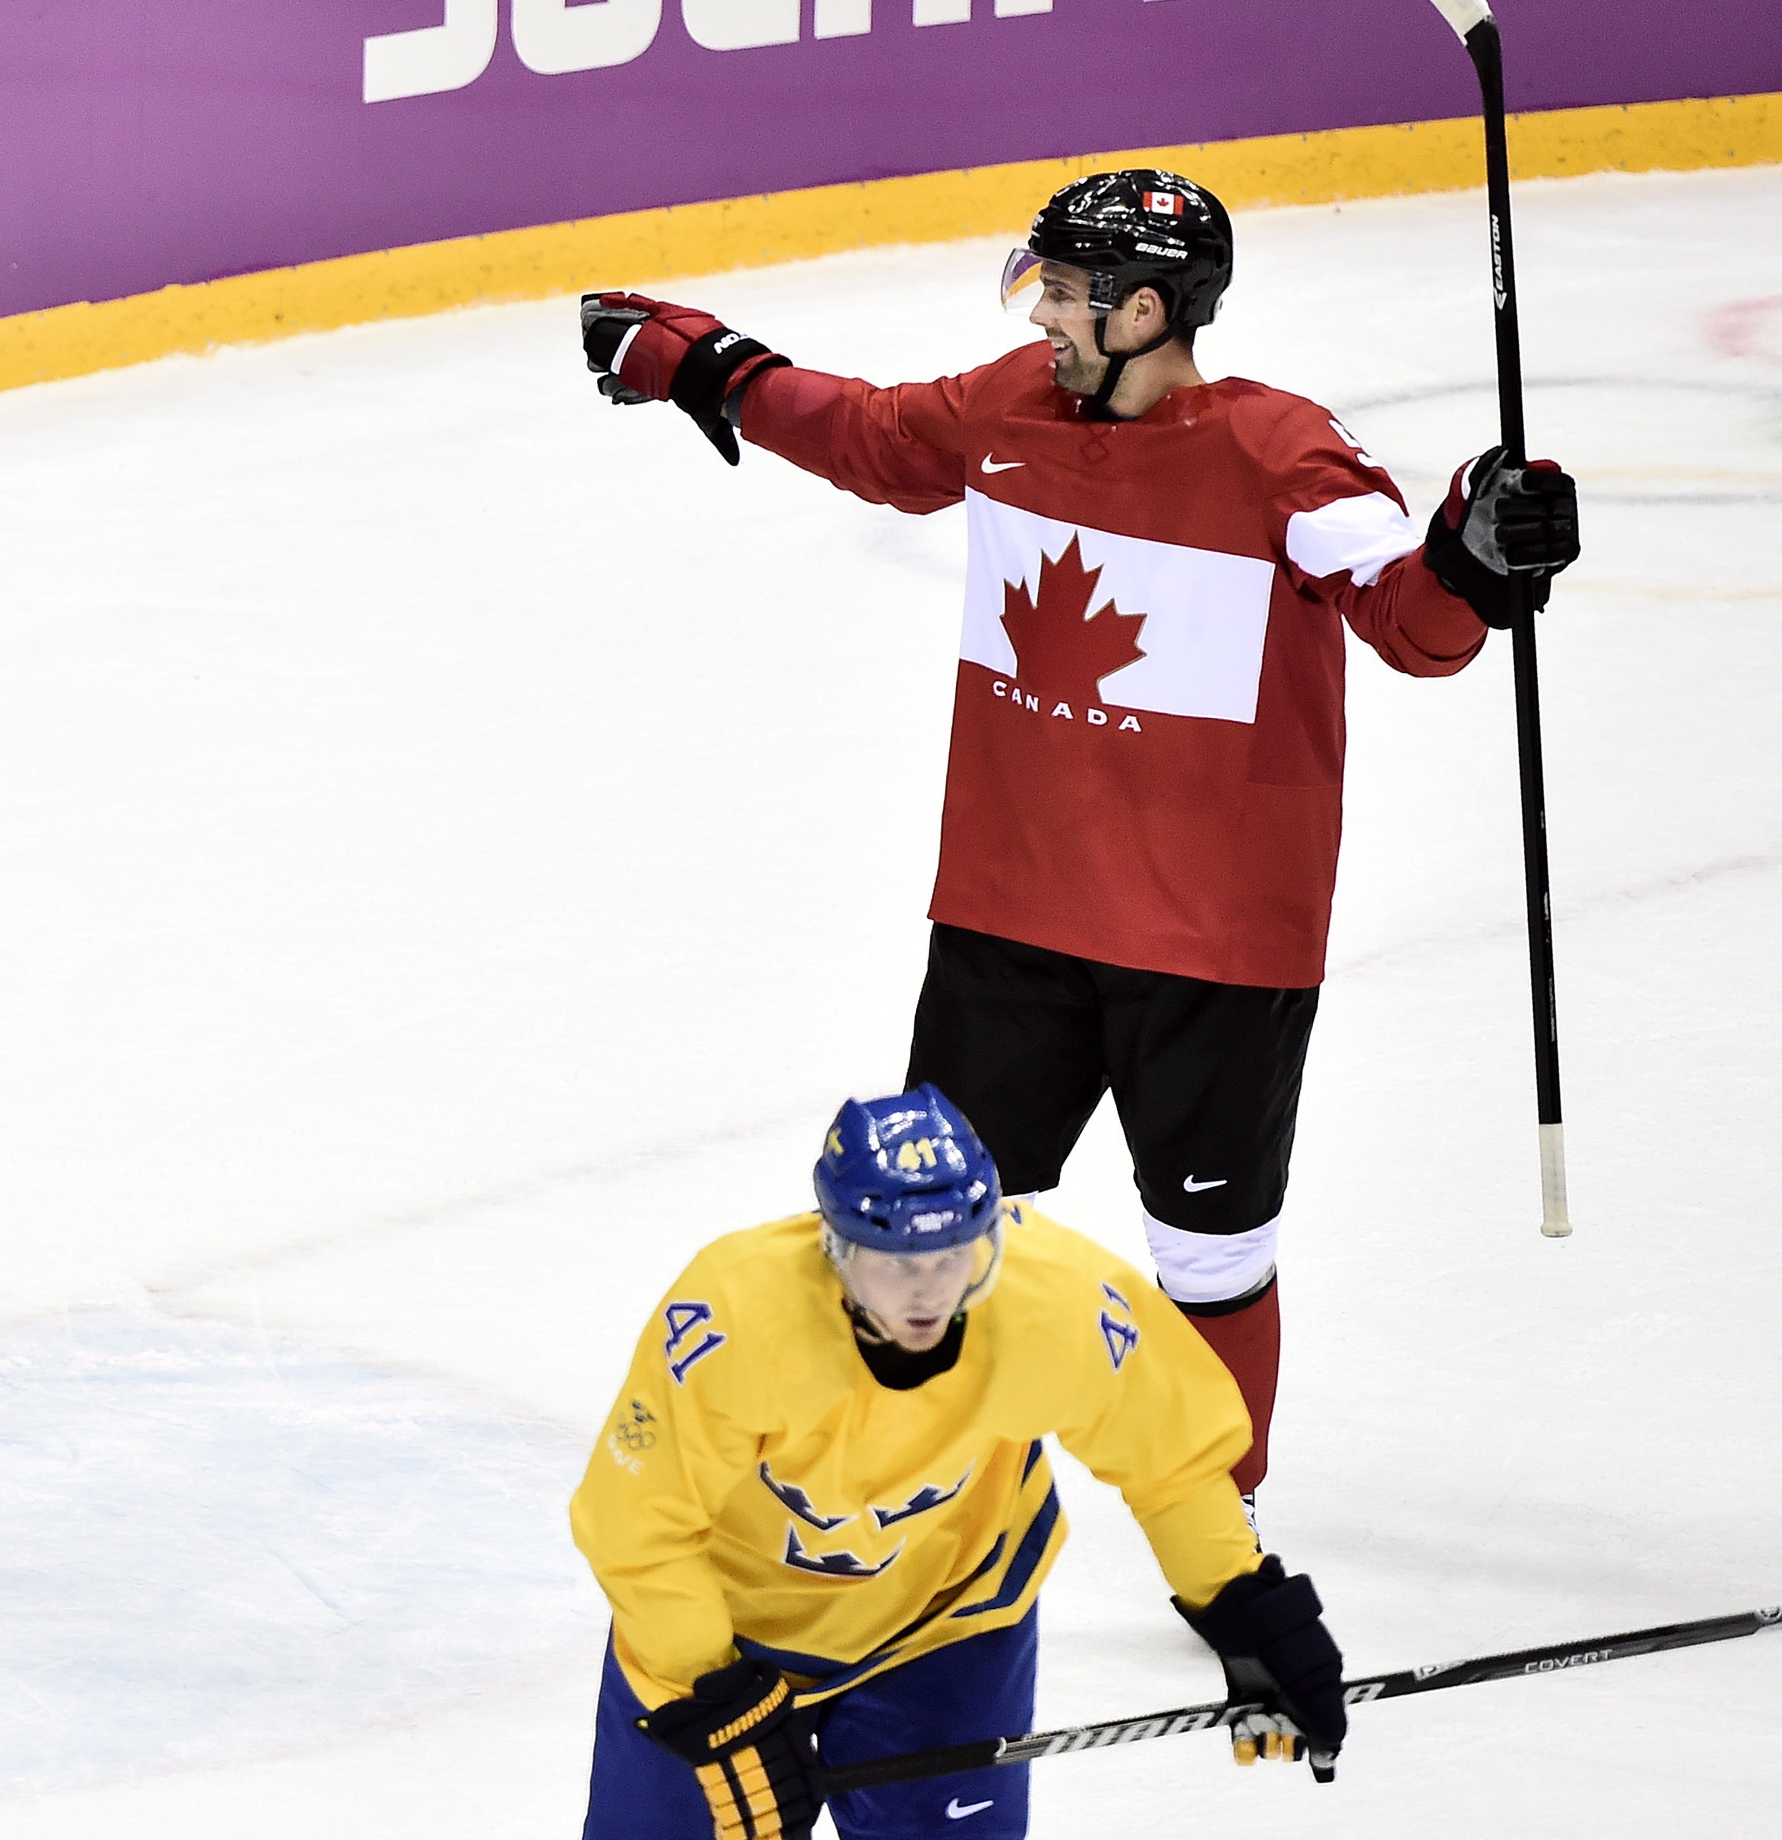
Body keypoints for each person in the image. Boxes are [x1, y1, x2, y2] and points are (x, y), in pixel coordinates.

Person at [578, 174, 1581, 1504]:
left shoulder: (1280, 452)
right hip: (1010, 918)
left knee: (1211, 1253)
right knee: (937, 1227)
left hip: (1218, 945)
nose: (1039, 310)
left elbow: (1414, 621)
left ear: (1145, 310)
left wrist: (1480, 549)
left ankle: (1215, 1532)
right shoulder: (1010, 408)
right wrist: (707, 365)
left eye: (1060, 290)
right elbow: (872, 437)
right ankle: (925, 1494)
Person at [571, 1087, 1349, 1839]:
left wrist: (1243, 1605)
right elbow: (636, 1525)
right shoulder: (734, 1320)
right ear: (835, 1247)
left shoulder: (1056, 1299)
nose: (928, 1291)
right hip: (728, 1634)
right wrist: (712, 1689)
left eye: (952, 1257)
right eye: (896, 1262)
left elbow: (1168, 1460)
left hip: (946, 1620)